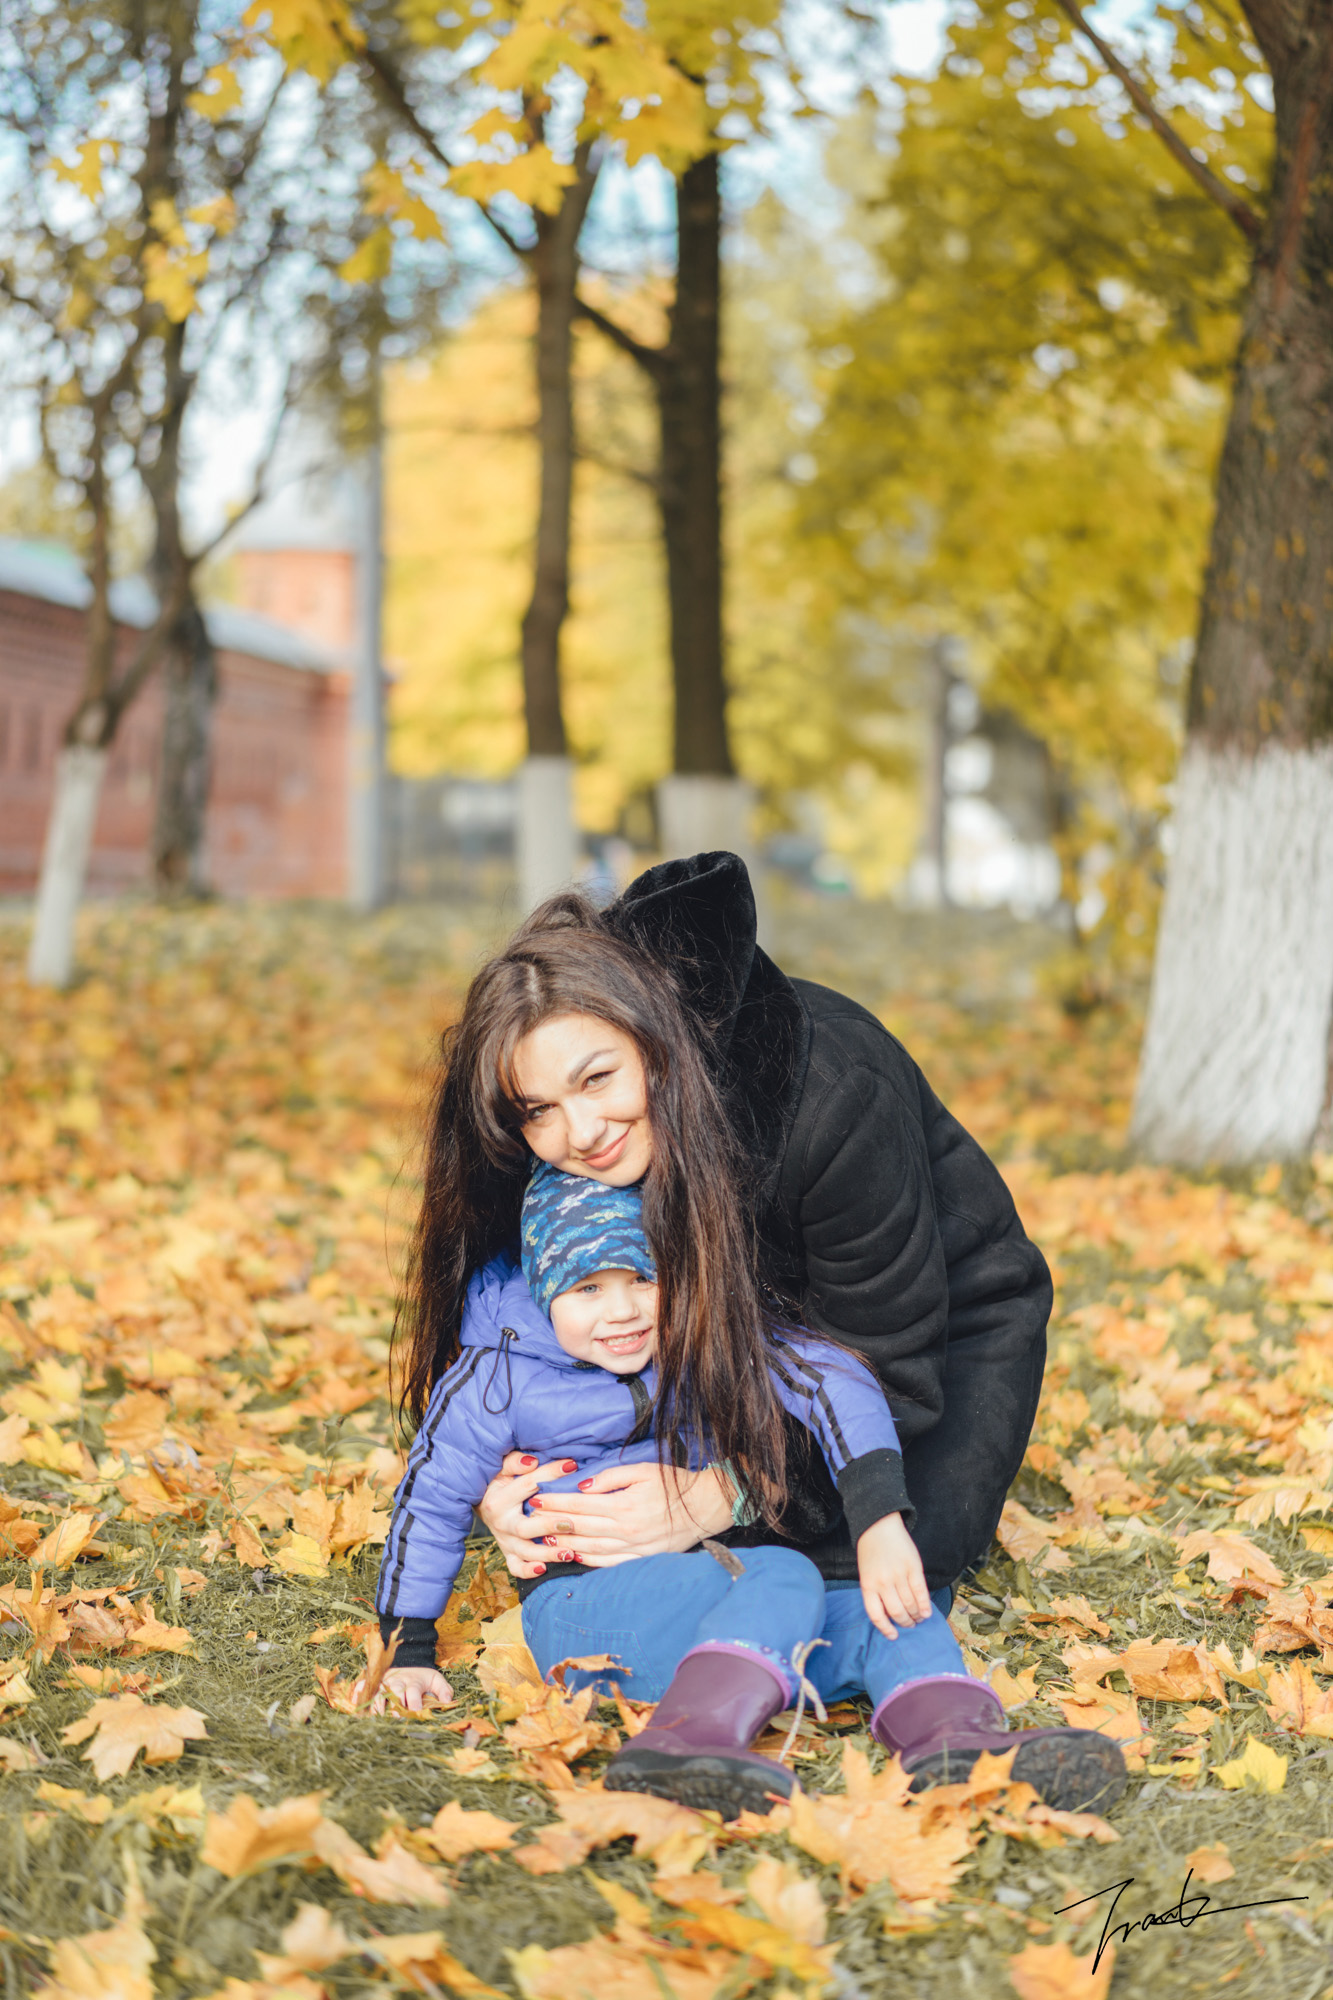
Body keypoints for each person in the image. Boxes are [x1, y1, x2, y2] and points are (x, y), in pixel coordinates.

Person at [376, 858, 1126, 1814]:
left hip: (919, 1355)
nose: (579, 1132)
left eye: (599, 1079)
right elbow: (486, 1357)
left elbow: (866, 1370)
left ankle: (955, 1738)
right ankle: (695, 1731)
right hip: (706, 1392)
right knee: (774, 1580)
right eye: (537, 1110)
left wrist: (716, 1496)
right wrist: (495, 1482)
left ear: (652, 1041)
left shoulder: (831, 1092)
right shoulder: (566, 1208)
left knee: (867, 1585)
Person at [378, 1162, 1002, 1817]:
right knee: (785, 1579)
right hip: (584, 1612)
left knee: (895, 1607)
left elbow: (828, 1380)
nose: (621, 1311)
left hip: (721, 1604)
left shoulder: (700, 1333)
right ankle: (686, 1742)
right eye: (586, 1288)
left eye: (643, 1278)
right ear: (541, 1290)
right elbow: (431, 1501)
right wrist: (407, 1648)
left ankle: (961, 1745)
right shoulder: (493, 1378)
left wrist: (877, 1516)